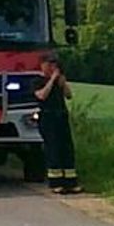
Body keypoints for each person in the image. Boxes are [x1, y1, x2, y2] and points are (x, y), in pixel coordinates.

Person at [34, 53, 81, 194]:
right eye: (50, 64)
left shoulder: (59, 81)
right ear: (43, 65)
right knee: (52, 148)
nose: (53, 67)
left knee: (67, 148)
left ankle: (71, 182)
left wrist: (63, 83)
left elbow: (69, 95)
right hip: (47, 117)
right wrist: (52, 80)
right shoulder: (38, 80)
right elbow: (41, 95)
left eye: (55, 65)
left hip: (61, 115)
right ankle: (55, 183)